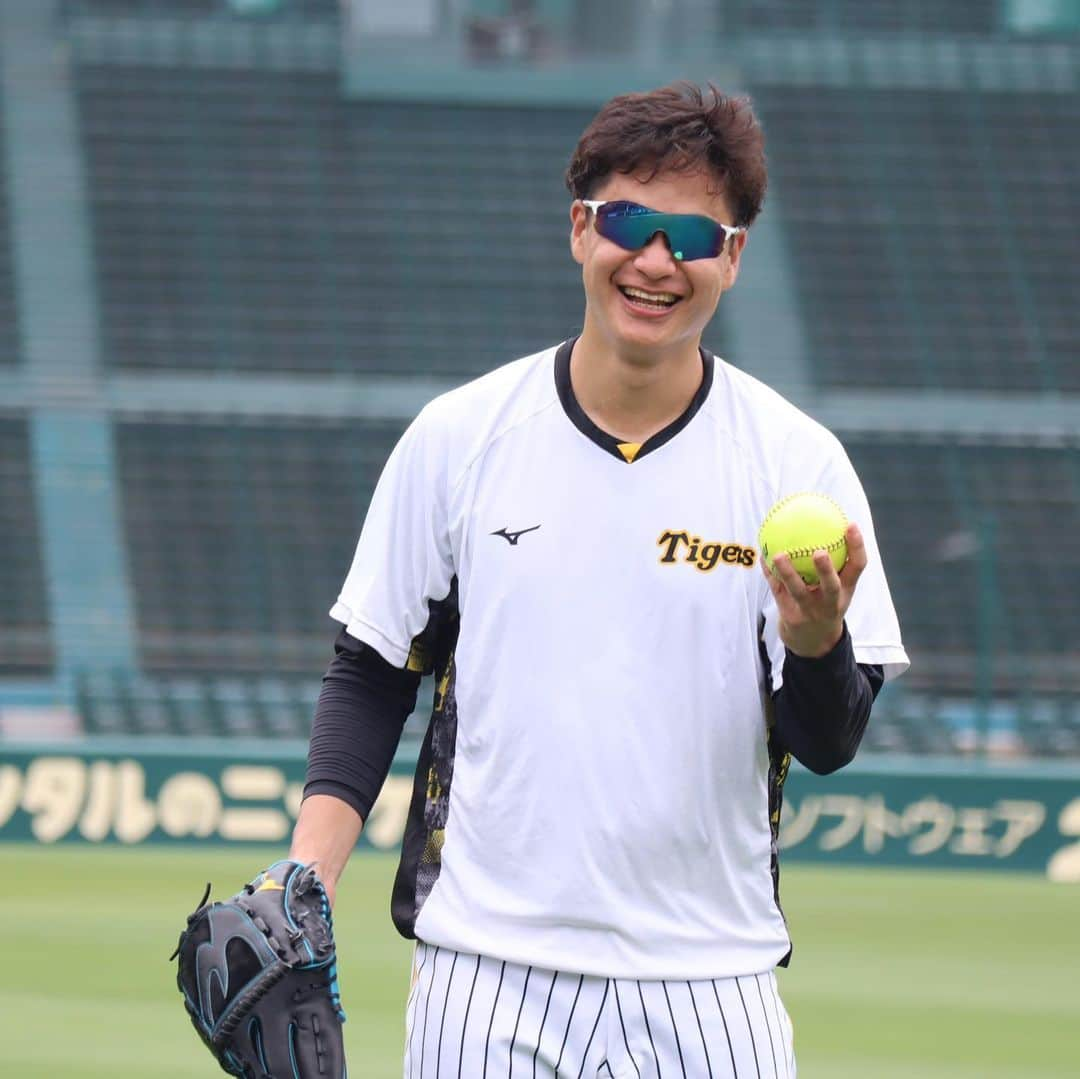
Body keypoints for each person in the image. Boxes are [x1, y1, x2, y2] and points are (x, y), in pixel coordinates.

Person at [290, 82, 909, 1077]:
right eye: (630, 221)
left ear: (733, 257)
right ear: (581, 229)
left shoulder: (801, 465)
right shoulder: (460, 438)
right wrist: (304, 879)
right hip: (485, 971)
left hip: (712, 976)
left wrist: (814, 641)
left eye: (692, 235)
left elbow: (829, 742)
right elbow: (372, 671)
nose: (657, 260)